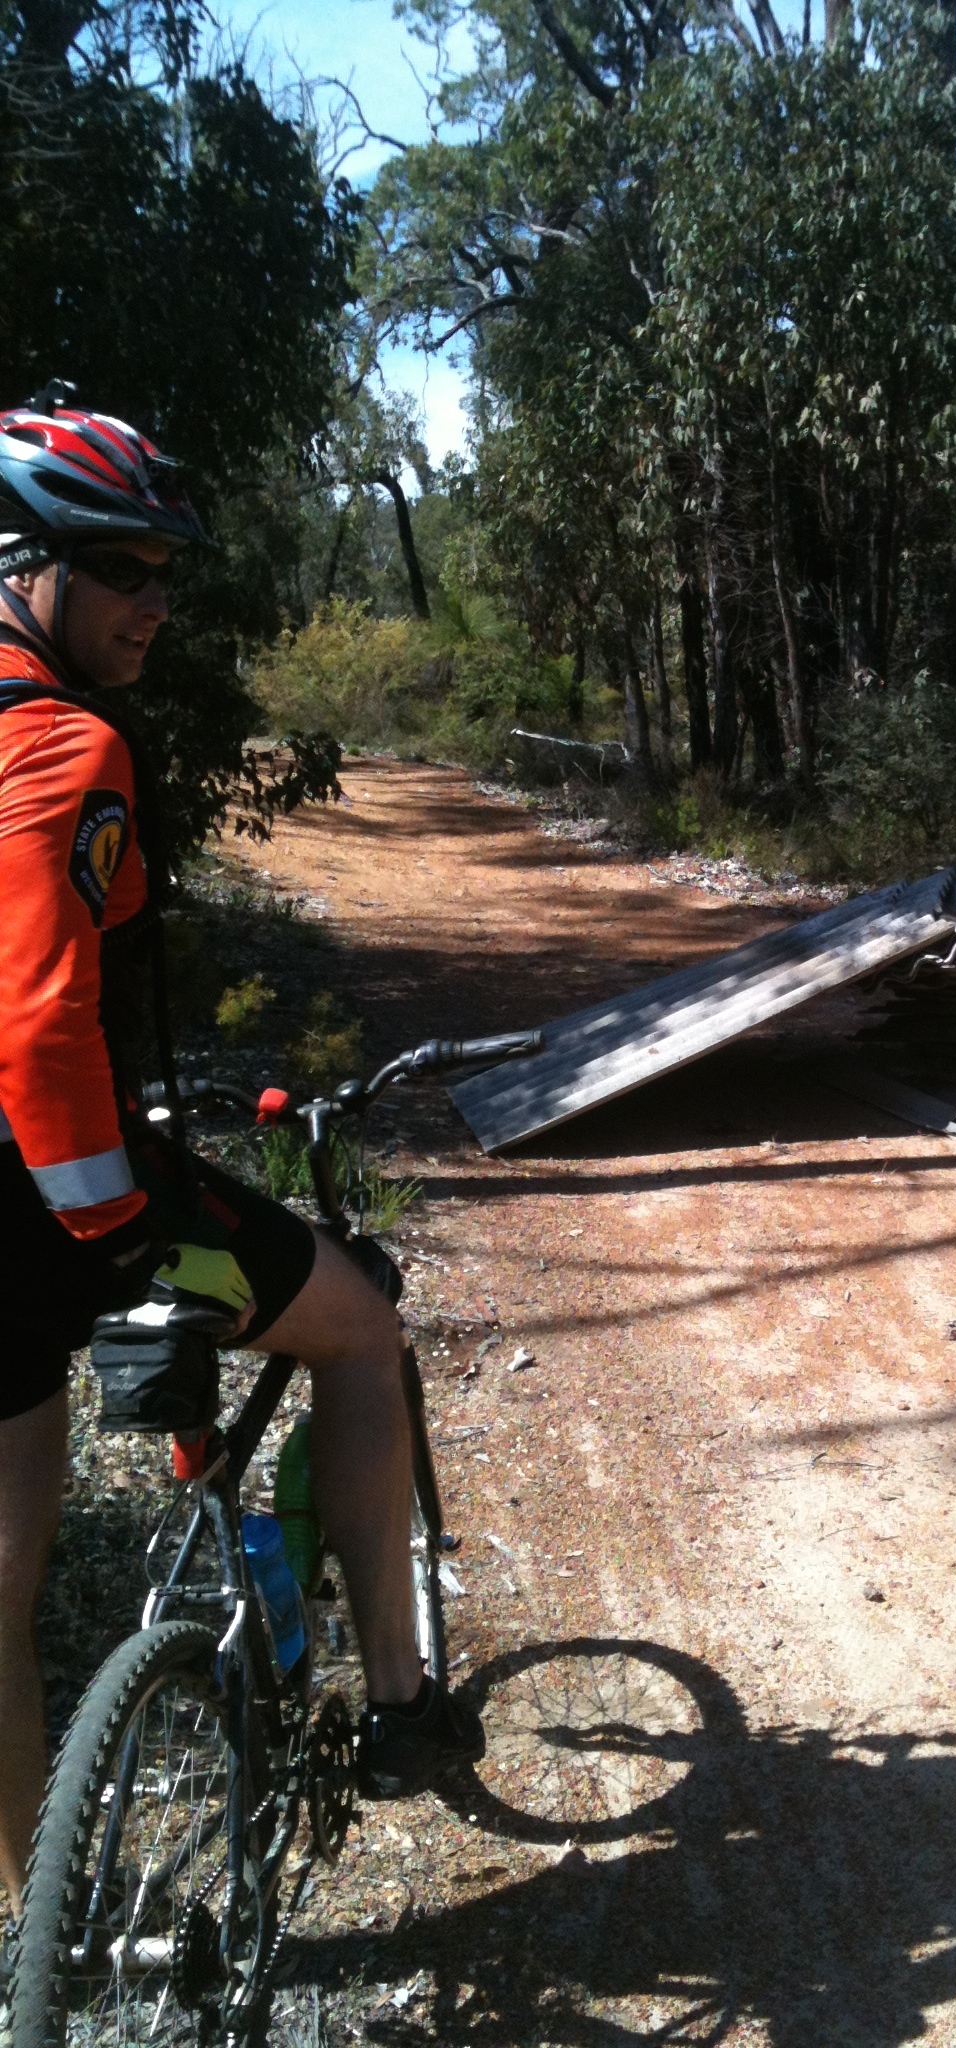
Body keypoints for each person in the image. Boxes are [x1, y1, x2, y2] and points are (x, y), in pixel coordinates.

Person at [0, 388, 481, 1923]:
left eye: (166, 570)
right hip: (50, 1204)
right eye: (121, 566)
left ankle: (49, 1942)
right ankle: (403, 1705)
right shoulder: (63, 745)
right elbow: (39, 1022)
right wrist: (119, 1230)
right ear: (27, 559)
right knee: (361, 1323)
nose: (155, 601)